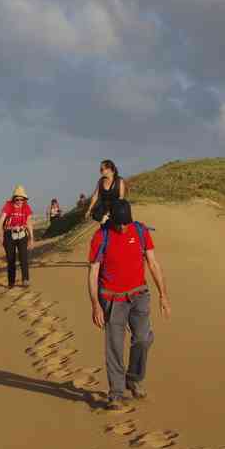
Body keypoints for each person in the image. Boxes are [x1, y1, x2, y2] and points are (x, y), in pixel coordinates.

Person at [88, 199, 170, 410]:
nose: (123, 227)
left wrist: (163, 295)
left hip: (139, 295)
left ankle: (133, 377)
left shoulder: (141, 232)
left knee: (143, 338)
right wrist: (95, 304)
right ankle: (116, 393)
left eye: (126, 223)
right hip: (112, 299)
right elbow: (93, 271)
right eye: (119, 223)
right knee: (114, 346)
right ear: (112, 219)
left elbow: (153, 263)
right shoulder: (101, 236)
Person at [0, 185, 34, 288]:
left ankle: (25, 280)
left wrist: (31, 238)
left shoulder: (26, 207)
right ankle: (11, 282)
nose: (19, 201)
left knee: (23, 258)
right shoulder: (8, 205)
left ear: (24, 199)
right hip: (9, 234)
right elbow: (0, 221)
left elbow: (29, 222)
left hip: (22, 234)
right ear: (14, 198)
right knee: (11, 259)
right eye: (17, 199)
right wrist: (0, 235)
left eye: (22, 199)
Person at [85, 159, 128, 224]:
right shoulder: (101, 181)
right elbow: (95, 196)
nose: (100, 171)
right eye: (100, 169)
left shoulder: (119, 181)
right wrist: (89, 210)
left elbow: (121, 198)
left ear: (109, 169)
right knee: (96, 212)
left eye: (102, 169)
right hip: (104, 210)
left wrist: (109, 212)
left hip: (116, 209)